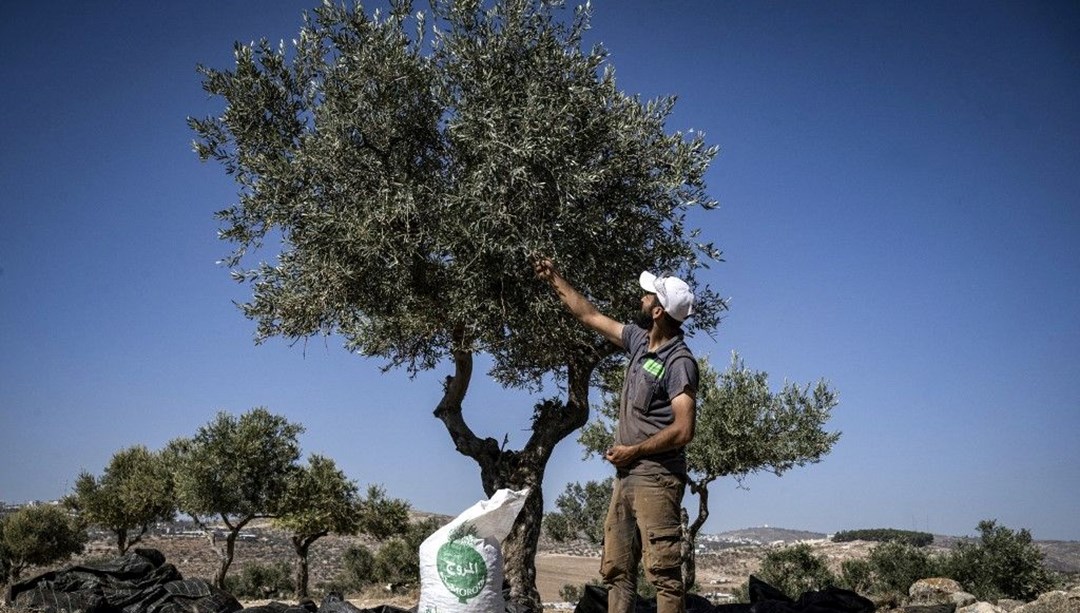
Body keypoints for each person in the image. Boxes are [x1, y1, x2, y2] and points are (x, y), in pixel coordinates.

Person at [535, 258, 699, 613]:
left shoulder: (679, 361)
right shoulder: (640, 342)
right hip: (626, 477)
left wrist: (635, 451)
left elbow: (684, 429)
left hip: (657, 479)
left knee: (664, 576)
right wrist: (554, 278)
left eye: (648, 295)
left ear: (658, 310)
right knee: (617, 570)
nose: (641, 297)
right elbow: (589, 315)